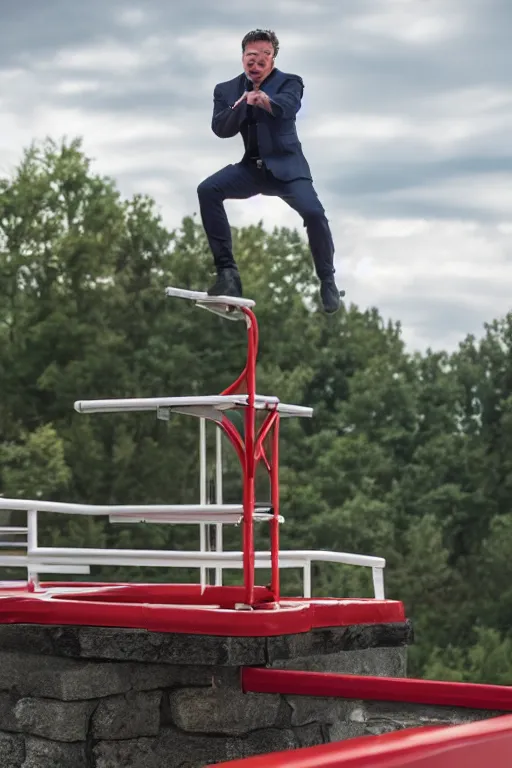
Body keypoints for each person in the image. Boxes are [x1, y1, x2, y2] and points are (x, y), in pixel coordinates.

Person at [197, 29, 342, 314]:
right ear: (242, 58)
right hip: (252, 169)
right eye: (251, 57)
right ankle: (228, 275)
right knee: (208, 190)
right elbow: (220, 128)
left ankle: (327, 279)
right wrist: (242, 103)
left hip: (288, 168)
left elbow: (288, 108)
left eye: (264, 57)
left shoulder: (291, 82)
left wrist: (264, 100)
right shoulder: (226, 90)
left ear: (272, 59)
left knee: (314, 214)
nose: (257, 63)